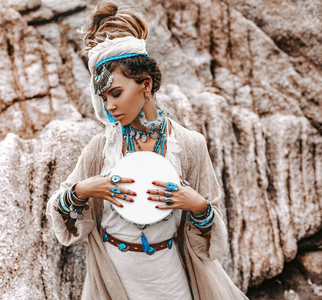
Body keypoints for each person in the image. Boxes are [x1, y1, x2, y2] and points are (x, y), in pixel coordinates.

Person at [47, 2, 249, 299]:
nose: (110, 105)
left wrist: (196, 205)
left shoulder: (190, 144)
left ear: (146, 84)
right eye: (104, 97)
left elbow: (212, 231)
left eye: (116, 93)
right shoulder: (100, 148)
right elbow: (60, 212)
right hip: (113, 275)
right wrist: (83, 189)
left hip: (168, 277)